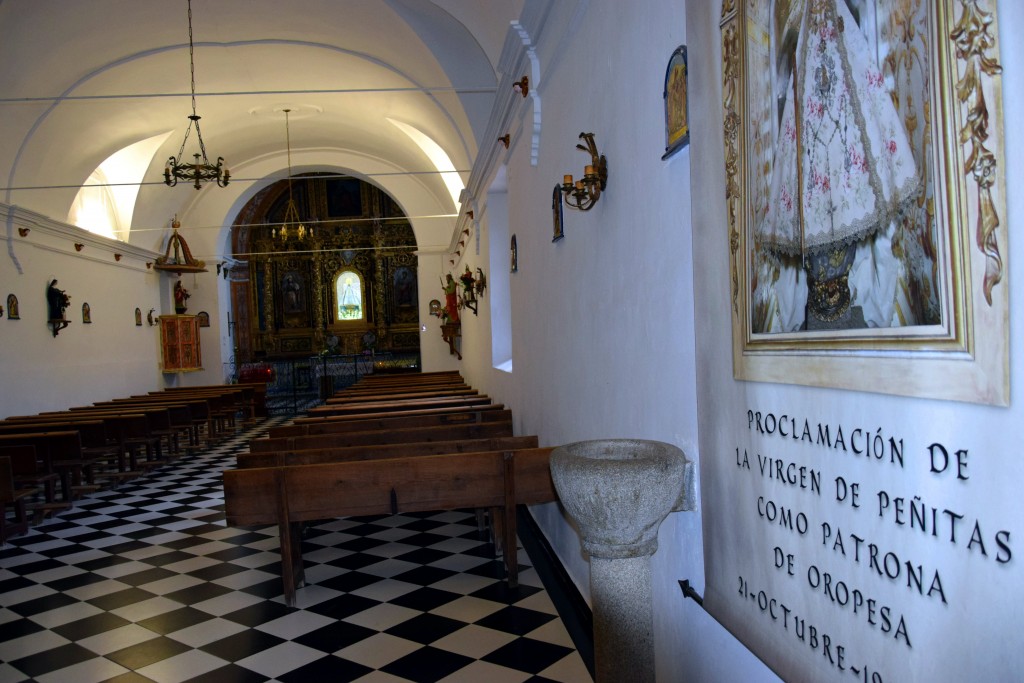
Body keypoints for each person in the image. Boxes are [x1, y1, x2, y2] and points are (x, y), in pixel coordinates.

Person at [755, 0, 919, 331]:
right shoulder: (803, 35)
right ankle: (820, 298)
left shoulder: (842, 23)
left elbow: (854, 72)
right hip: (813, 136)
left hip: (843, 124)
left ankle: (845, 296)